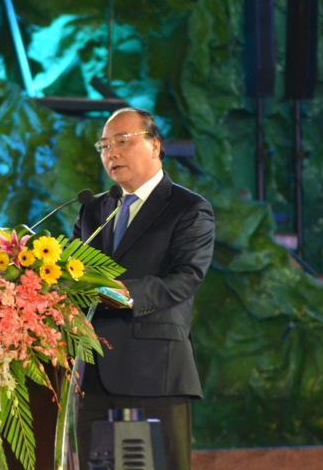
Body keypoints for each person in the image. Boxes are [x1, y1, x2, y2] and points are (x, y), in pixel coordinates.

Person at [71, 107, 215, 470]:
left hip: (156, 373)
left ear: (155, 146)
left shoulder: (187, 208)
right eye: (103, 145)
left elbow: (187, 277)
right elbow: (69, 274)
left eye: (122, 141)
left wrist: (126, 293)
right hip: (93, 374)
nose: (111, 153)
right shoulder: (93, 210)